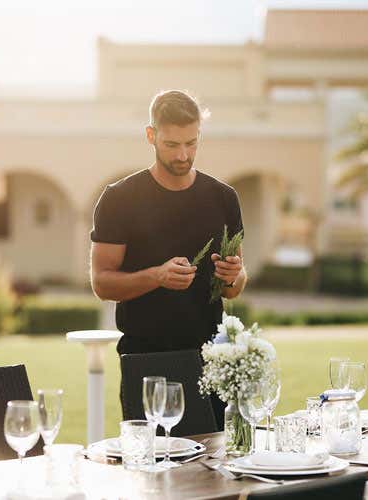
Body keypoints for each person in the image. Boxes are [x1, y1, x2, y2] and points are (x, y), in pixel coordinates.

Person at [89, 89, 247, 426]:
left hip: (212, 358)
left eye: (191, 143)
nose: (183, 155)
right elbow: (101, 283)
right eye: (172, 145)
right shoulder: (119, 199)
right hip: (146, 359)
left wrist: (234, 275)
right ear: (151, 135)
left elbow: (233, 289)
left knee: (216, 469)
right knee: (151, 469)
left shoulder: (223, 198)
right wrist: (157, 276)